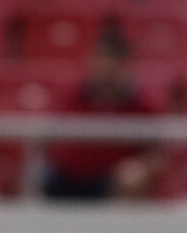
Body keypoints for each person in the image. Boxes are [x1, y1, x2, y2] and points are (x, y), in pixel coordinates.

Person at [44, 32, 163, 199]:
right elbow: (47, 139)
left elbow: (158, 156)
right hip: (65, 178)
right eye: (100, 58)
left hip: (110, 183)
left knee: (132, 178)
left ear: (124, 64)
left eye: (112, 59)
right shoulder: (72, 97)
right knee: (36, 174)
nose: (104, 66)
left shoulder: (142, 106)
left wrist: (140, 166)